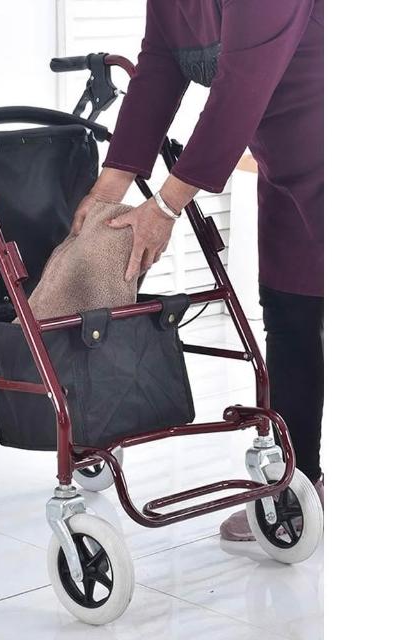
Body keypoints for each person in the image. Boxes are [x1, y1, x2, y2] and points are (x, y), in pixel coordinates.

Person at [70, 0, 324, 540]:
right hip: (286, 169)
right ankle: (299, 485)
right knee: (290, 314)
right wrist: (108, 188)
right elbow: (159, 66)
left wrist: (165, 207)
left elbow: (241, 89)